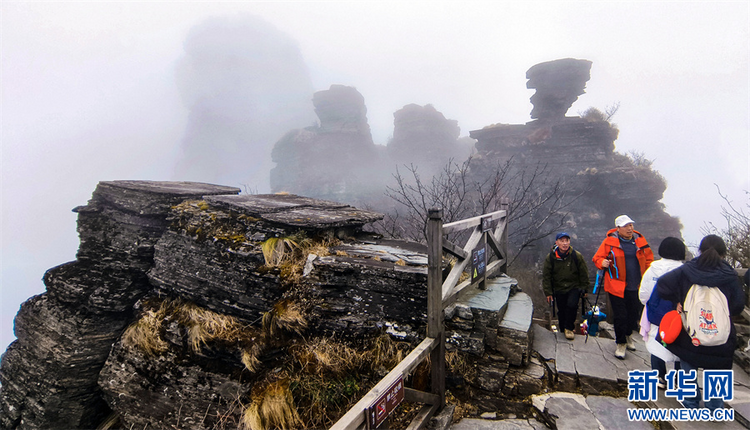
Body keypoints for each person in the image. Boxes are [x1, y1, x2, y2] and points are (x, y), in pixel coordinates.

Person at [656, 234, 744, 411]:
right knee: (718, 368)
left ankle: (690, 403)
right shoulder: (730, 274)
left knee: (689, 363)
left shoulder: (687, 269)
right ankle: (715, 407)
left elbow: (662, 286)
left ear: (700, 250)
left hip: (691, 329)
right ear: (723, 254)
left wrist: (678, 301)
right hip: (721, 332)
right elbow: (738, 305)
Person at [593, 215, 654, 359]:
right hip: (616, 285)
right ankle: (620, 344)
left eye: (631, 225)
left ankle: (628, 336)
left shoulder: (640, 241)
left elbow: (649, 259)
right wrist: (602, 263)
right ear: (618, 228)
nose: (630, 228)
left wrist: (649, 276)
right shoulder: (609, 242)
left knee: (633, 315)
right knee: (620, 316)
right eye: (626, 226)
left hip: (636, 285)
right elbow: (597, 258)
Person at [638, 237, 685, 388]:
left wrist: (652, 305)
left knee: (656, 342)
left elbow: (643, 295)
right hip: (676, 316)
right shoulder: (684, 271)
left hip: (656, 314)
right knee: (680, 347)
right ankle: (678, 380)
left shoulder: (652, 269)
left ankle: (659, 376)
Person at [543, 232, 590, 340]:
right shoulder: (551, 257)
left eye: (567, 241)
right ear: (557, 242)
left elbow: (583, 272)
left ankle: (569, 328)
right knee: (562, 309)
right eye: (562, 241)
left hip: (574, 286)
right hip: (559, 287)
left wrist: (584, 288)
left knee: (572, 305)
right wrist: (548, 292)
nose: (565, 243)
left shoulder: (576, 256)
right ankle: (562, 328)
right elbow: (546, 276)